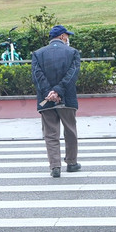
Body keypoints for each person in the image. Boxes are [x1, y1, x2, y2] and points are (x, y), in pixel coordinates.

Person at [31, 25, 81, 178]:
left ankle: (55, 166)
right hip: (67, 98)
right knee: (70, 131)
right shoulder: (73, 52)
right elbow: (72, 74)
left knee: (50, 133)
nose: (68, 38)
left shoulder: (38, 54)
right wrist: (58, 90)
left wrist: (49, 93)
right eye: (67, 36)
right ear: (61, 36)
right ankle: (71, 162)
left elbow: (37, 76)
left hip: (46, 100)